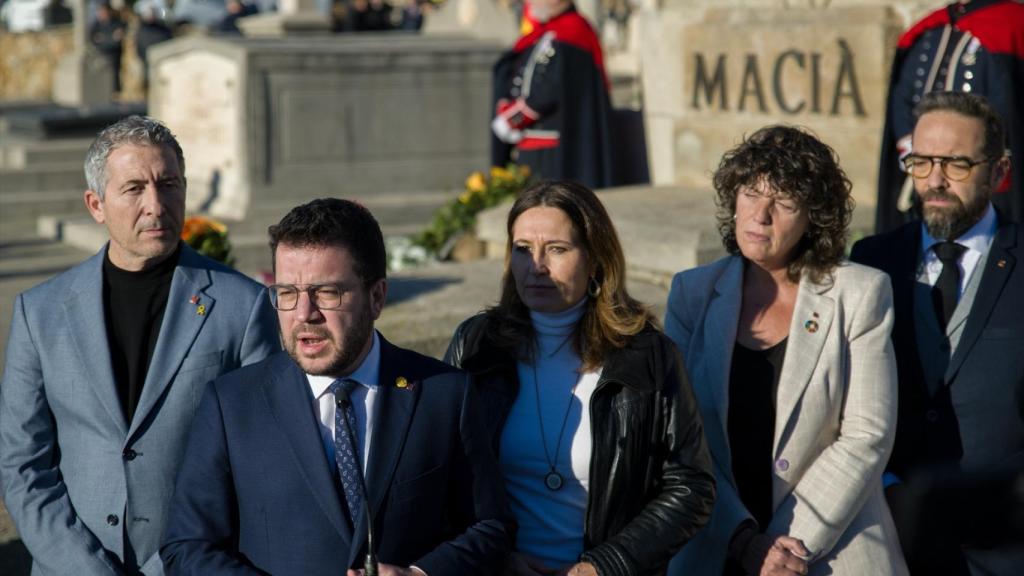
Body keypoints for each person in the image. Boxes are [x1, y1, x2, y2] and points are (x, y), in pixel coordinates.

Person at [161, 198, 513, 575]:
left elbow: (489, 527)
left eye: (326, 293)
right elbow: (187, 546)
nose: (303, 314)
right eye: (287, 293)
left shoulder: (444, 394)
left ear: (376, 297)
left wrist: (420, 574)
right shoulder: (231, 404)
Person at [0, 115, 280, 575]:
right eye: (134, 189)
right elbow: (23, 465)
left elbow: (259, 457)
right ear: (96, 204)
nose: (156, 204)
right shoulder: (40, 312)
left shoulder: (243, 306)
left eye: (168, 184)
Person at [666, 126, 907, 576]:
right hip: (715, 544)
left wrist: (783, 548)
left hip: (829, 548)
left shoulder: (860, 292)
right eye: (751, 193)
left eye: (785, 202)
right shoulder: (691, 293)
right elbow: (678, 440)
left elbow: (866, 435)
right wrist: (743, 542)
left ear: (813, 218)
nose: (761, 215)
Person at [445, 180, 715, 576]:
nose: (537, 266)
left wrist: (604, 566)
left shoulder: (647, 355)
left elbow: (690, 485)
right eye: (522, 250)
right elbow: (442, 469)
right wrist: (496, 559)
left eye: (556, 249)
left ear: (596, 259)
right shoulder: (477, 345)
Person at [851, 91, 1024, 575]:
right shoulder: (871, 260)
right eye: (921, 161)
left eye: (957, 164)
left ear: (1000, 171)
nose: (935, 180)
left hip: (1005, 547)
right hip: (887, 540)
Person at [876, 0, 1024, 233]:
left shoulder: (1013, 22)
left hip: (984, 176)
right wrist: (917, 155)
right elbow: (903, 96)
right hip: (922, 176)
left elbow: (1007, 102)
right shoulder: (932, 26)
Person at [490, 0, 617, 189]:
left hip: (555, 149)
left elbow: (549, 91)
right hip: (530, 145)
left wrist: (511, 119)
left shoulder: (573, 31)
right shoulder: (545, 33)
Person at [89, 1, 126, 93]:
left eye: (104, 11)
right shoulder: (96, 25)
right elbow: (94, 39)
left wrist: (104, 39)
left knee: (114, 77)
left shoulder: (116, 23)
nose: (102, 14)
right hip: (100, 55)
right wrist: (110, 38)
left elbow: (118, 38)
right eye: (100, 11)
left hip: (114, 55)